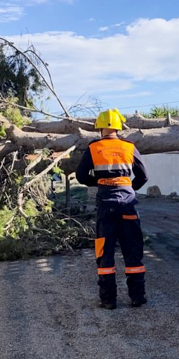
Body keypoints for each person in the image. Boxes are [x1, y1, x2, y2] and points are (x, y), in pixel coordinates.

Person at [75, 109, 149, 310]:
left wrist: (100, 182)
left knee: (104, 251)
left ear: (100, 128)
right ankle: (137, 297)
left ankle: (108, 300)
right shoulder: (129, 147)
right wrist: (128, 188)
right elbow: (143, 176)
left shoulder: (94, 148)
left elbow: (81, 176)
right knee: (133, 250)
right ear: (118, 127)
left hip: (105, 205)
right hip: (128, 204)